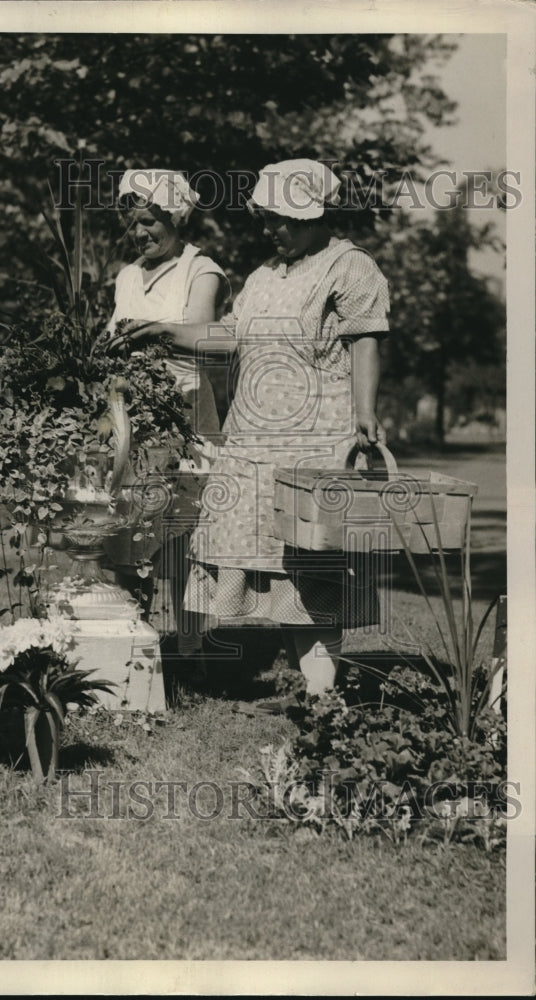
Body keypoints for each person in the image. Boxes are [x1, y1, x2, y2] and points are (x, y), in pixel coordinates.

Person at [112, 159, 390, 695]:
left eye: (281, 219)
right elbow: (227, 338)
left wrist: (364, 414)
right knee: (274, 565)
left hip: (315, 436)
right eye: (266, 219)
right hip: (253, 438)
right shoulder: (265, 275)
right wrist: (162, 331)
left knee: (311, 568)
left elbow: (366, 340)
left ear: (313, 213)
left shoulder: (350, 267)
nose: (271, 230)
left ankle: (322, 695)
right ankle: (314, 691)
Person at [106, 169, 230, 665]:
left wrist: (151, 331)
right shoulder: (128, 276)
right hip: (128, 421)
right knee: (129, 534)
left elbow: (205, 337)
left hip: (186, 420)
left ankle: (192, 647)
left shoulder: (202, 271)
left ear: (176, 216)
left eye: (150, 222)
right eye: (133, 224)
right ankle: (133, 642)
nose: (141, 234)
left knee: (183, 540)